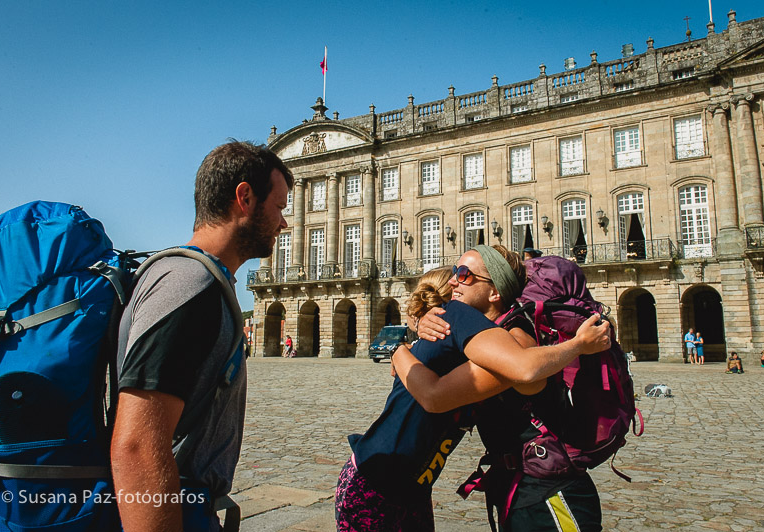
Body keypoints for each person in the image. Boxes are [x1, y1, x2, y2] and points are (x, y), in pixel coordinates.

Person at [335, 245, 611, 532]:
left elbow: (524, 371)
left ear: (494, 292)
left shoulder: (516, 333)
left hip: (548, 491)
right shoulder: (467, 329)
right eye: (454, 272)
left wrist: (397, 349)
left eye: (464, 274)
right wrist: (409, 340)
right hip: (393, 480)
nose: (454, 280)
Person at [110, 141, 292, 532]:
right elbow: (138, 447)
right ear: (244, 198)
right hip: (177, 505)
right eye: (278, 207)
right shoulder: (191, 287)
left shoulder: (202, 282)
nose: (284, 223)